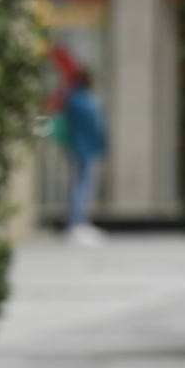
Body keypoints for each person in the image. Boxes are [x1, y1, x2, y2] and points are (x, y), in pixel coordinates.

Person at [61, 67, 107, 245]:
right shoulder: (85, 101)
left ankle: (78, 220)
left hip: (79, 146)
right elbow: (95, 126)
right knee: (83, 185)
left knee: (81, 184)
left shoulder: (74, 99)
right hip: (85, 147)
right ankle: (77, 221)